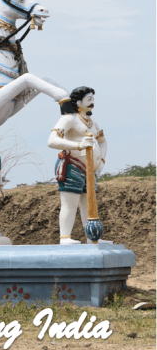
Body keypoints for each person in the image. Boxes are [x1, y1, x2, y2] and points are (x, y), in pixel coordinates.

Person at [47, 86, 108, 244]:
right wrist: (78, 145)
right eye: (89, 99)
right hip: (72, 166)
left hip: (90, 170)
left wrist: (101, 160)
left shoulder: (93, 122)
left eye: (93, 99)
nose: (92, 102)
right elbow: (52, 140)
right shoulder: (69, 119)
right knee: (70, 204)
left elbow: (102, 141)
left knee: (89, 205)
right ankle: (65, 237)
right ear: (78, 102)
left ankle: (92, 238)